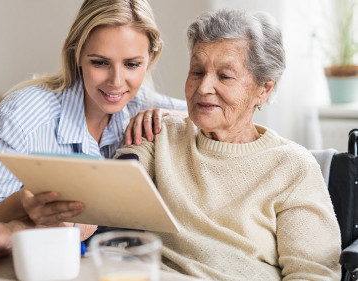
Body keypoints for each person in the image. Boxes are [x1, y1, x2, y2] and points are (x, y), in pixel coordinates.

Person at [0, 0, 186, 254]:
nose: (117, 81)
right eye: (100, 63)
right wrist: (22, 203)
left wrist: (168, 114)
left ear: (150, 59)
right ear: (77, 55)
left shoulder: (140, 104)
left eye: (131, 64)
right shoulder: (22, 115)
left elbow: (209, 112)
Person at [113, 9, 341, 280]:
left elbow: (313, 275)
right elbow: (105, 200)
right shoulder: (159, 134)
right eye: (197, 71)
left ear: (264, 89)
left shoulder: (293, 168)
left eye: (225, 76)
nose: (204, 87)